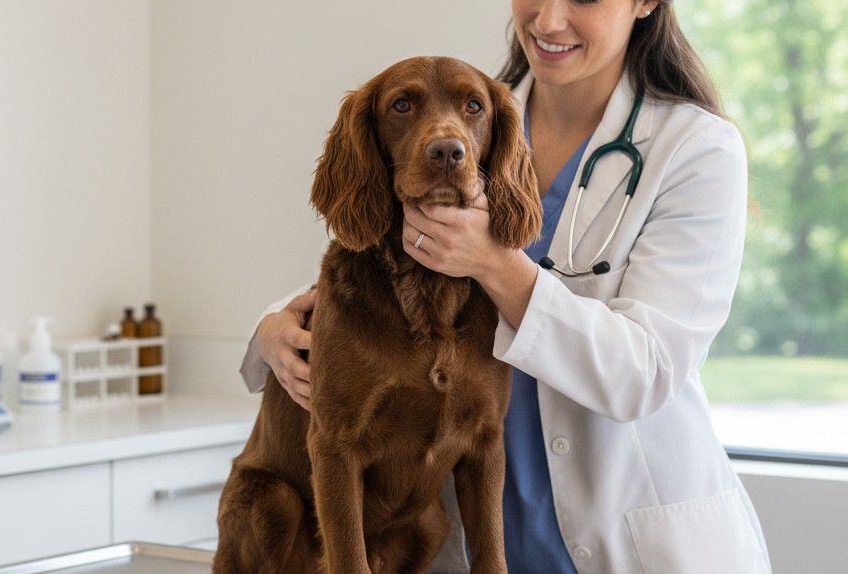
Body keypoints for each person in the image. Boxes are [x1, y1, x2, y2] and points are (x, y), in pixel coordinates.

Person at [240, 0, 773, 572]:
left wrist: (497, 266)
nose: (547, 21)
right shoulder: (472, 115)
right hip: (479, 535)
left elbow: (645, 371)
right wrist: (274, 325)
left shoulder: (697, 149)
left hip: (626, 535)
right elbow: (383, 265)